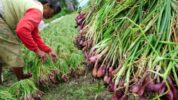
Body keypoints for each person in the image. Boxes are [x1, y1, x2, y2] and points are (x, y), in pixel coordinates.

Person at [0, 0, 61, 82]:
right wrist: (37, 51)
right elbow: (21, 30)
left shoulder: (35, 7)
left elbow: (35, 36)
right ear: (47, 6)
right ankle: (22, 80)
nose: (52, 16)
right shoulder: (37, 12)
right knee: (13, 49)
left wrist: (48, 51)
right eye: (53, 13)